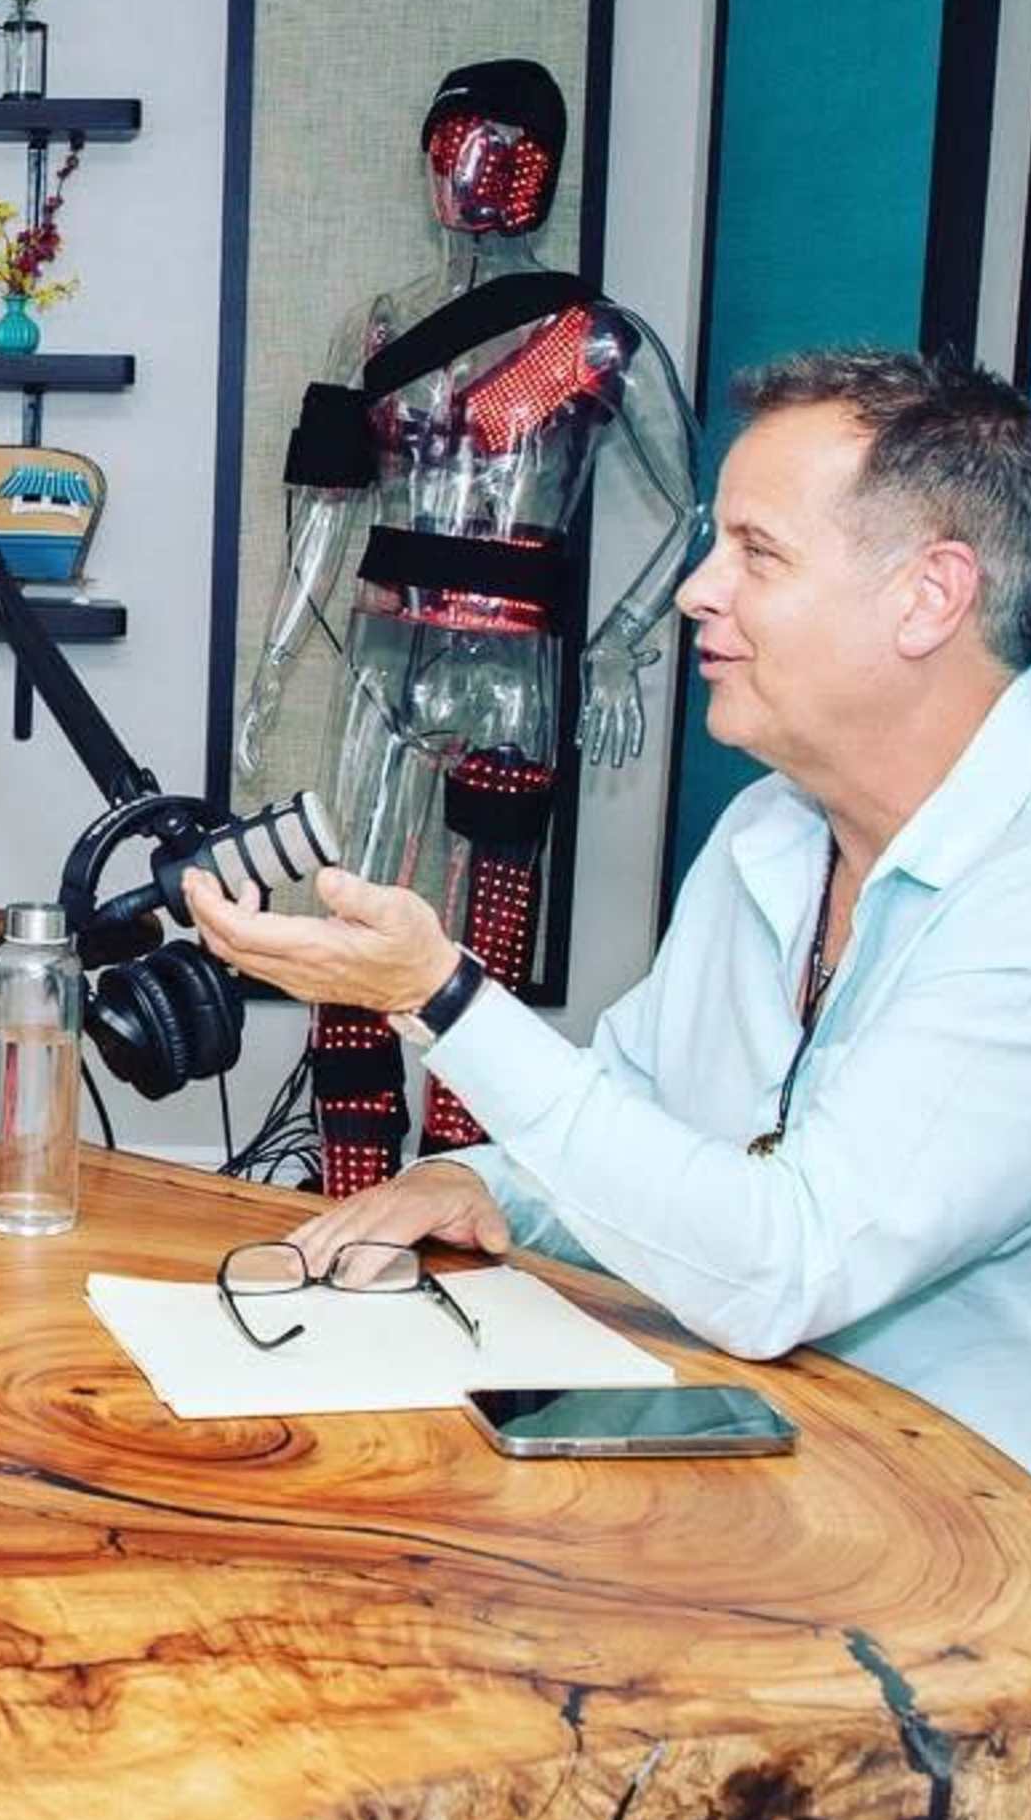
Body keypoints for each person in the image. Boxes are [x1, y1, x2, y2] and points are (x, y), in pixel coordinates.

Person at [192, 348, 1031, 1820]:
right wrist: (475, 1183)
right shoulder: (777, 835)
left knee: (495, 1754)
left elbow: (784, 1265)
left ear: (931, 596)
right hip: (794, 1486)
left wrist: (447, 1003)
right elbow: (638, 1131)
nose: (696, 590)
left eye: (756, 553)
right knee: (351, 1608)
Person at [232, 59, 697, 1196]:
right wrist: (275, 660)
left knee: (483, 941)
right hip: (383, 661)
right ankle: (351, 1184)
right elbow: (327, 505)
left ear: (541, 166)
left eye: (497, 149)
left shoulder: (590, 339)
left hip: (511, 669)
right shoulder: (380, 329)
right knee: (354, 915)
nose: (467, 174)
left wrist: (621, 641)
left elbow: (697, 509)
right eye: (449, 147)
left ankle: (455, 1190)